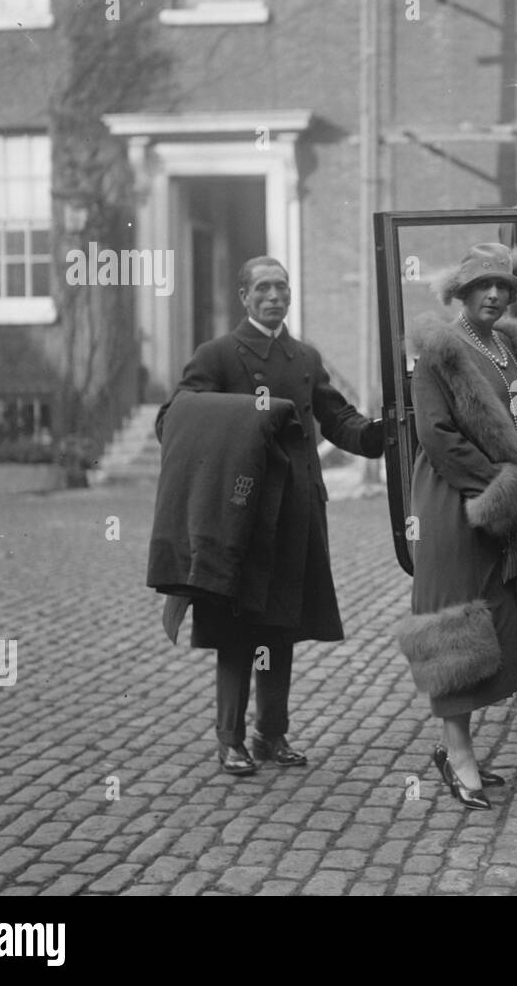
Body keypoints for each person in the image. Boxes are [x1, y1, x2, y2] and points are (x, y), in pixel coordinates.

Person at [155, 255, 384, 776]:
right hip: (241, 516)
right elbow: (174, 419)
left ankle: (271, 734)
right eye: (263, 288)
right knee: (237, 631)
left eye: (282, 287)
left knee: (280, 626)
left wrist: (381, 433)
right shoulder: (217, 355)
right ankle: (230, 739)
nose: (275, 296)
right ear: (244, 296)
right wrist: (245, 424)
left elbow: (338, 419)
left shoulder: (303, 356)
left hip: (296, 512)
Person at [393, 242, 517, 809]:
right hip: (455, 499)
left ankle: (457, 749)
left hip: (503, 501)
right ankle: (456, 752)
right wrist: (497, 486)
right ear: (460, 294)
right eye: (481, 286)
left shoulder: (513, 351)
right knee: (458, 624)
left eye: (504, 287)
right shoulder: (439, 352)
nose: (494, 295)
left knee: (495, 618)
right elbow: (437, 435)